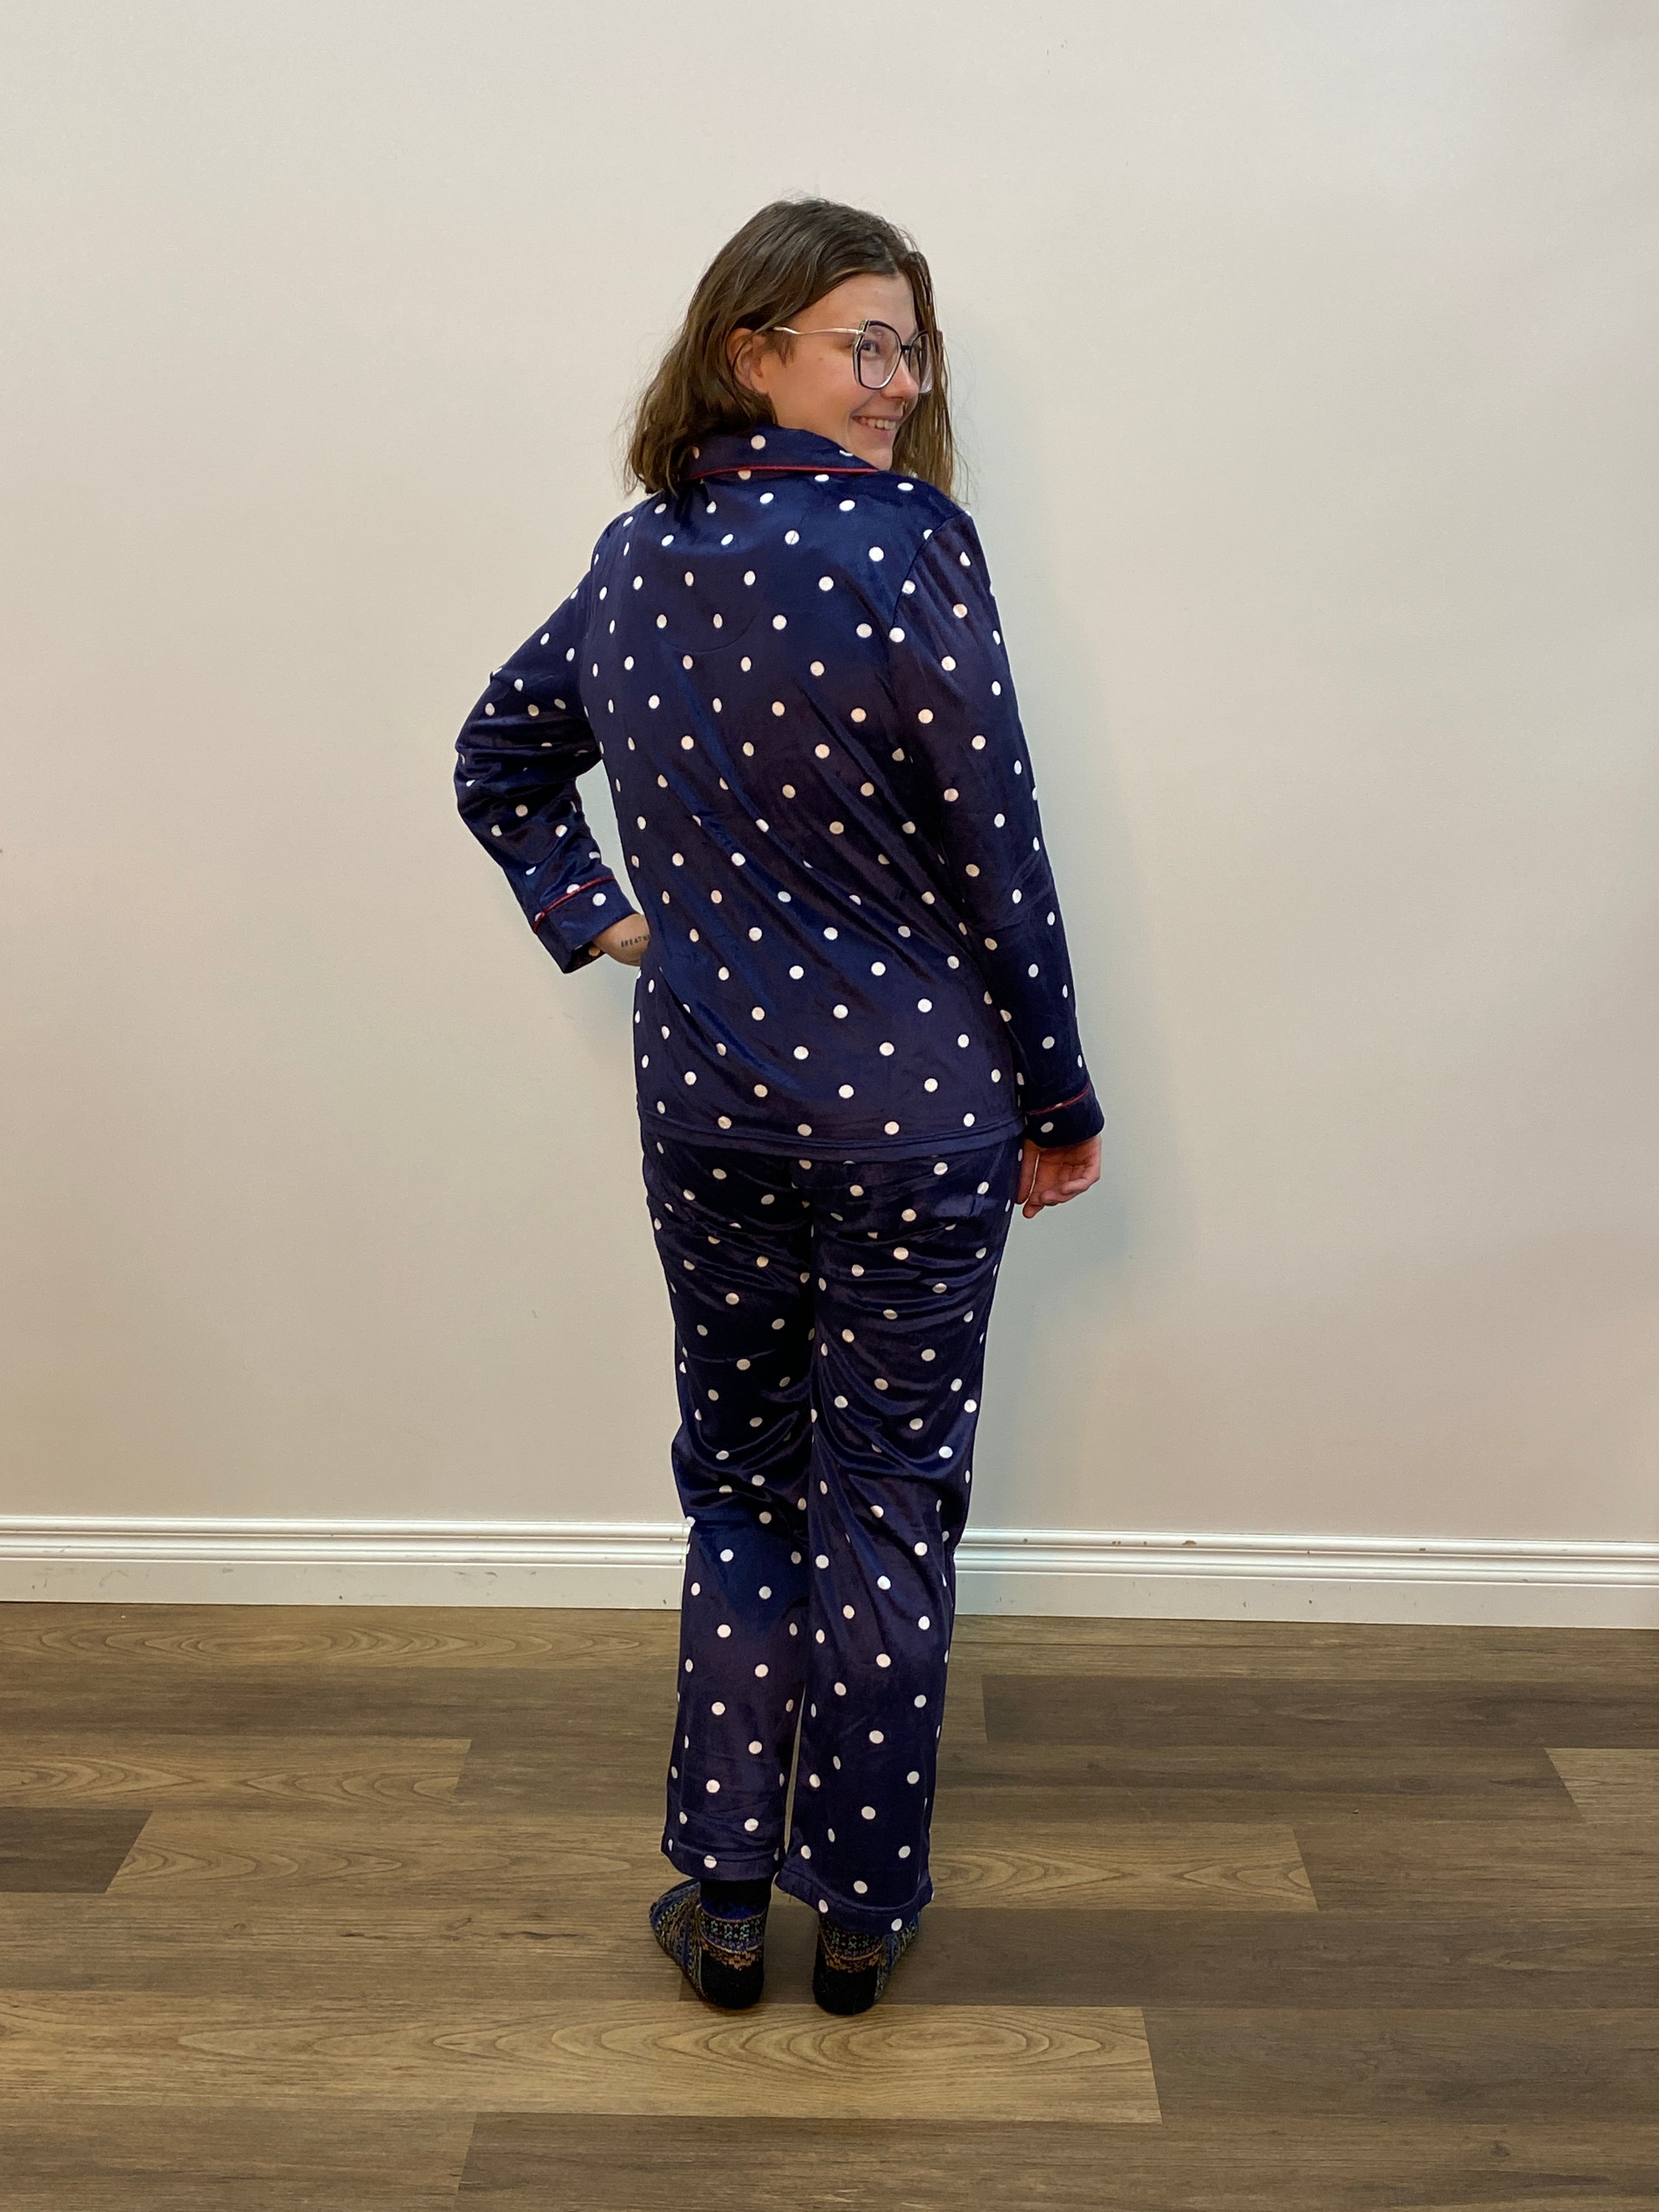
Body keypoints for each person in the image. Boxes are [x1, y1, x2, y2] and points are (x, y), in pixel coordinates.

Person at [454, 197, 1102, 2015]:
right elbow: (999, 848)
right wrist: (1058, 1092)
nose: (898, 382)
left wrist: (610, 926)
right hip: (916, 1118)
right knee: (883, 1500)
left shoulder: (633, 561)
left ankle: (728, 1901)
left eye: (912, 348)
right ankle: (862, 1916)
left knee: (743, 1488)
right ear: (752, 353)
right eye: (863, 344)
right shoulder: (915, 548)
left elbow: (500, 758)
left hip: (714, 1107)